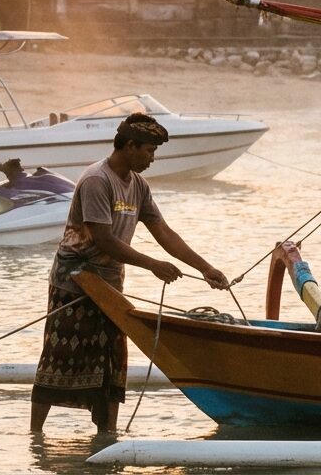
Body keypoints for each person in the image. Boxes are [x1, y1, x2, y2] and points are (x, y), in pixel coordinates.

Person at [30, 112, 230, 435]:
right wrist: (152, 265)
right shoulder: (98, 180)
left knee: (112, 361)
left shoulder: (139, 185)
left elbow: (163, 232)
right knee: (58, 358)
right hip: (74, 281)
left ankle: (107, 435)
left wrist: (205, 268)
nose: (152, 158)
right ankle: (34, 435)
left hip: (109, 285)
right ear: (130, 146)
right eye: (149, 151)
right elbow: (103, 239)